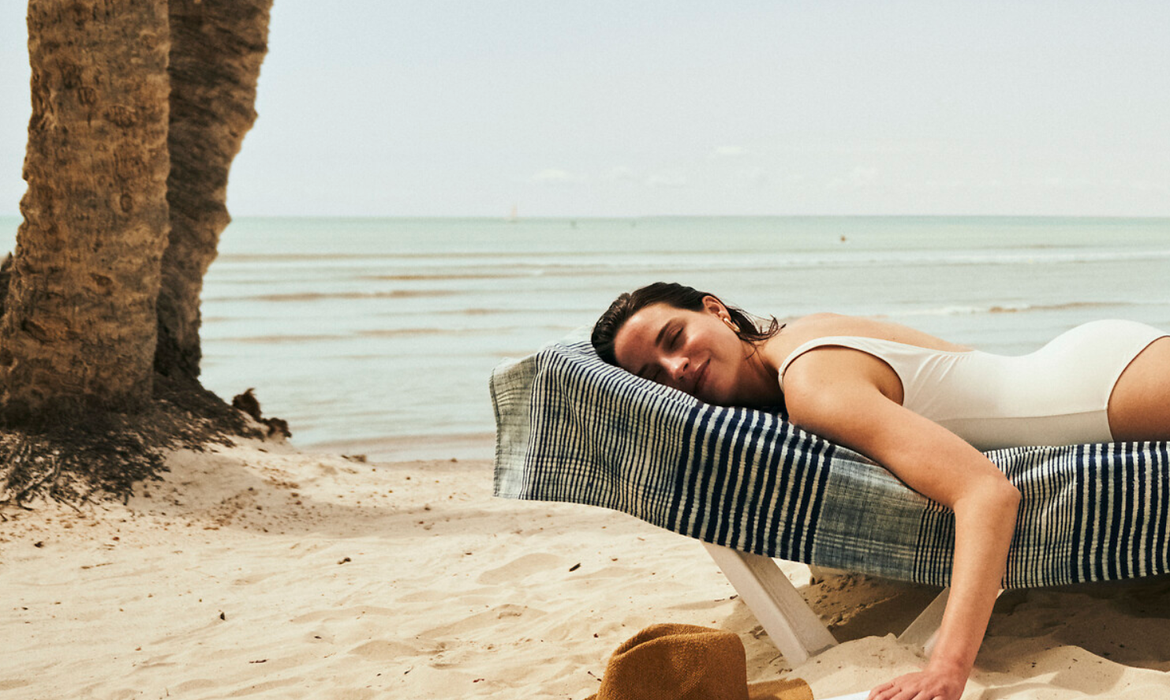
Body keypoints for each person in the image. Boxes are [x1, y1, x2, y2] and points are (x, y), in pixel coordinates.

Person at [591, 281, 1170, 700]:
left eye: (674, 337)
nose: (675, 367)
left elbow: (987, 493)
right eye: (652, 374)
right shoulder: (798, 334)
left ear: (715, 310)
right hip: (1087, 365)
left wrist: (948, 666)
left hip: (1105, 395)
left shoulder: (811, 386)